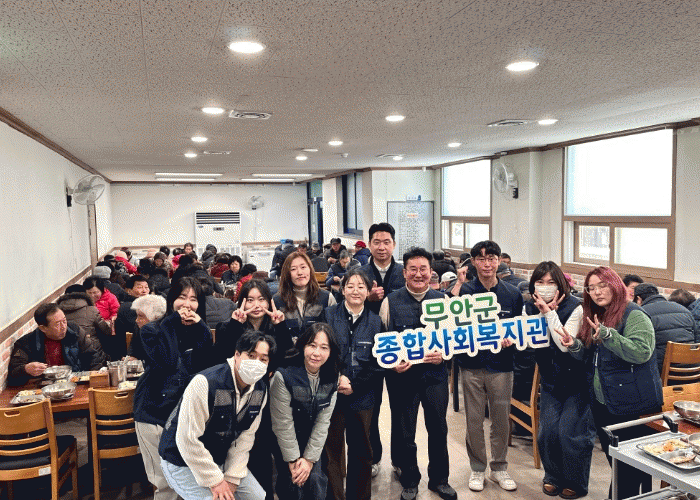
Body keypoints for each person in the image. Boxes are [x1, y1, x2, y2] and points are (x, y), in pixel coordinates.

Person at [558, 266, 662, 500]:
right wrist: (574, 345)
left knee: (628, 468)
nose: (597, 292)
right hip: (605, 403)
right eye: (591, 288)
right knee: (617, 463)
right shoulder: (599, 315)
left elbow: (642, 352)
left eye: (602, 285)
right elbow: (591, 358)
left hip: (633, 404)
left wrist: (608, 335)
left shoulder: (634, 314)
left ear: (615, 285)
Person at [159, 331, 275, 500]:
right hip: (181, 460)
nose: (256, 363)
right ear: (237, 355)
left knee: (258, 497)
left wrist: (233, 477)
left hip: (218, 459)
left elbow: (245, 437)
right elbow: (187, 439)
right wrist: (215, 481)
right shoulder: (206, 382)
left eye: (263, 359)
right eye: (251, 355)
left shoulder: (260, 390)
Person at [380, 247, 456, 500]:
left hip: (435, 377)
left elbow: (454, 340)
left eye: (423, 269)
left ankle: (440, 480)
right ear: (404, 273)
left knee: (438, 429)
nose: (418, 274)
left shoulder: (444, 301)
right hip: (403, 378)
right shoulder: (390, 302)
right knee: (405, 431)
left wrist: (445, 355)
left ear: (431, 272)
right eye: (413, 269)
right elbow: (381, 341)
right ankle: (410, 480)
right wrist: (392, 364)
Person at [449, 240, 523, 492]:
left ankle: (499, 467)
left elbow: (518, 329)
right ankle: (478, 468)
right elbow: (448, 320)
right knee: (474, 420)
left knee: (501, 419)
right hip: (471, 365)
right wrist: (457, 284)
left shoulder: (512, 293)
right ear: (473, 262)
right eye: (481, 258)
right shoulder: (465, 291)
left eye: (491, 258)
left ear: (499, 260)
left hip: (502, 365)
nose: (487, 263)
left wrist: (512, 339)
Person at [134, 277, 214, 500]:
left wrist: (202, 328)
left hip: (182, 417)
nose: (187, 304)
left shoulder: (197, 331)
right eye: (181, 297)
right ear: (171, 300)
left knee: (188, 479)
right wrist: (170, 322)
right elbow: (167, 362)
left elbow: (205, 366)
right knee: (165, 484)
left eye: (193, 299)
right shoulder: (150, 330)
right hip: (153, 413)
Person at [215, 279, 294, 500]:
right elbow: (220, 358)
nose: (256, 305)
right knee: (250, 451)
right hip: (241, 399)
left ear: (269, 302)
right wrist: (235, 324)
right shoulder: (229, 326)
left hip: (272, 398)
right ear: (241, 302)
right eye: (250, 300)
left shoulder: (275, 326)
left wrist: (281, 326)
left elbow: (290, 358)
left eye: (261, 299)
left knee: (274, 451)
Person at [525, 262, 595, 499]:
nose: (545, 287)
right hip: (551, 380)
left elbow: (564, 344)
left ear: (561, 284)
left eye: (551, 282)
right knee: (547, 433)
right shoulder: (529, 306)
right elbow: (530, 338)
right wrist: (540, 313)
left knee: (571, 434)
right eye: (540, 282)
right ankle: (553, 476)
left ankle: (576, 482)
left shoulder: (576, 307)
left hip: (577, 381)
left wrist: (549, 313)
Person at [323, 268, 383, 500]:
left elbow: (378, 364)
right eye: (350, 286)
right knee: (332, 451)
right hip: (332, 392)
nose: (355, 291)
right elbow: (320, 351)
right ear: (342, 289)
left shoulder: (376, 322)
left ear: (368, 291)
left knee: (361, 451)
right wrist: (337, 377)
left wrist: (355, 384)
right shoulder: (329, 315)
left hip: (363, 396)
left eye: (361, 287)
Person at [270, 323, 340, 500]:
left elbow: (323, 421)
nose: (316, 353)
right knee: (293, 483)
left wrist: (309, 460)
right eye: (312, 345)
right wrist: (293, 460)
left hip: (311, 440)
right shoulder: (284, 376)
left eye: (324, 347)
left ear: (331, 351)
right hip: (286, 440)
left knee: (315, 481)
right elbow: (282, 423)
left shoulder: (332, 376)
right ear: (302, 346)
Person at [358, 222, 405, 476]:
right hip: (369, 349)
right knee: (371, 408)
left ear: (394, 245)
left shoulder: (404, 272)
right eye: (376, 242)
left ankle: (399, 460)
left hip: (400, 349)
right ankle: (373, 457)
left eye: (386, 242)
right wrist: (367, 298)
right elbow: (347, 304)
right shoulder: (360, 274)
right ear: (369, 245)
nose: (382, 247)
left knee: (401, 408)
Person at [7, 303, 106, 386]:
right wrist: (25, 369)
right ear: (43, 328)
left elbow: (93, 356)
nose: (64, 327)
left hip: (77, 384)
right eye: (58, 324)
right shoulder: (26, 343)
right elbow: (13, 377)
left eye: (64, 320)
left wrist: (91, 381)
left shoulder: (75, 331)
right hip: (45, 389)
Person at [633, 283, 699, 374]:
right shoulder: (685, 310)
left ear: (638, 299)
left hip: (662, 373)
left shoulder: (642, 313)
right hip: (692, 370)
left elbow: (638, 348)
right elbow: (696, 340)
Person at [273, 252, 336, 339]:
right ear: (287, 274)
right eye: (293, 269)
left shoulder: (327, 298)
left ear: (310, 269)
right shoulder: (277, 300)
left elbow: (334, 333)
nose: (300, 273)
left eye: (303, 267)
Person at [112, 275, 150, 361]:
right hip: (134, 353)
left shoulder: (125, 304)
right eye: (139, 287)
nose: (144, 291)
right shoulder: (130, 307)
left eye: (146, 287)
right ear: (129, 291)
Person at [128, 294, 167, 361]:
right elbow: (133, 351)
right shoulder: (139, 328)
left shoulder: (166, 333)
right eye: (137, 316)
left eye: (141, 316)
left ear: (156, 317)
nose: (136, 320)